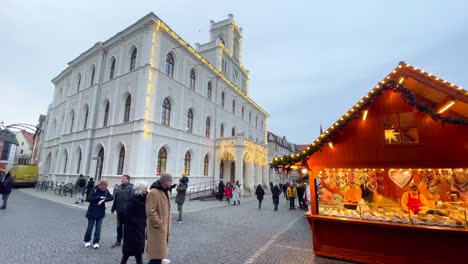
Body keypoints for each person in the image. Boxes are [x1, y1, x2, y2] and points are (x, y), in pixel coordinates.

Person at [146, 173, 173, 264]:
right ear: (165, 181)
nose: (171, 182)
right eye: (170, 180)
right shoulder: (154, 192)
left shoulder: (167, 191)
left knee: (159, 254)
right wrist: (159, 223)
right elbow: (150, 210)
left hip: (164, 227)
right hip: (157, 228)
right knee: (156, 256)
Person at [121, 181, 148, 264]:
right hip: (131, 230)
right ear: (140, 189)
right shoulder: (133, 200)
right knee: (127, 253)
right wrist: (138, 222)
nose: (147, 190)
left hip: (140, 229)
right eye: (145, 188)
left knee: (138, 252)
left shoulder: (146, 198)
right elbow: (127, 214)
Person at [83, 180, 113, 249]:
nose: (104, 189)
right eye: (103, 188)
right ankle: (87, 241)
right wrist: (98, 198)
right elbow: (89, 199)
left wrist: (104, 200)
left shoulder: (106, 191)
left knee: (98, 228)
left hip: (100, 212)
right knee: (90, 227)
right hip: (92, 211)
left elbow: (111, 197)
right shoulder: (95, 189)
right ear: (100, 186)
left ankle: (96, 242)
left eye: (105, 188)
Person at [111, 175, 134, 248]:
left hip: (127, 212)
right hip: (119, 210)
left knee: (127, 227)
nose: (122, 180)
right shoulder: (119, 187)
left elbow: (133, 200)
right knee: (119, 227)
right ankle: (118, 241)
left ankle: (127, 242)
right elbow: (116, 199)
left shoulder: (131, 187)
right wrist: (113, 208)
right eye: (122, 178)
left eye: (123, 178)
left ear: (128, 180)